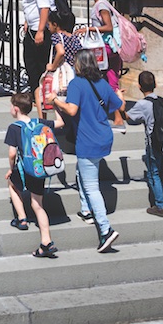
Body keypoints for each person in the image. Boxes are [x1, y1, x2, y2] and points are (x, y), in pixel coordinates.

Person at [51, 49, 124, 253]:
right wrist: (117, 94)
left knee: (92, 186)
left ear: (79, 65)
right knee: (83, 172)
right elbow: (118, 104)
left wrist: (55, 100)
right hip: (103, 138)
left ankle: (105, 229)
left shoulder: (77, 84)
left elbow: (72, 110)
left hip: (88, 140)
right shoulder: (103, 83)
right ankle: (85, 210)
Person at [123, 70, 163, 221]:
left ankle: (160, 206)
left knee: (154, 173)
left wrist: (121, 100)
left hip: (154, 145)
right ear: (155, 84)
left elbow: (127, 117)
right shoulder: (161, 101)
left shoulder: (143, 104)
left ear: (139, 86)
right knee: (162, 170)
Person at [4, 90, 58, 259]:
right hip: (39, 167)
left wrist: (10, 169)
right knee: (38, 204)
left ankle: (22, 218)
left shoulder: (14, 128)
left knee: (12, 184)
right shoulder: (39, 122)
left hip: (24, 168)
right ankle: (46, 241)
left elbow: (12, 153)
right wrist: (54, 102)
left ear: (15, 109)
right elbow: (61, 122)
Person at [20, 0, 56, 97]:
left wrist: (40, 31)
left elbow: (44, 8)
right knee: (30, 62)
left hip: (39, 30)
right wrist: (27, 21)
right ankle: (36, 92)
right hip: (33, 27)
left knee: (37, 64)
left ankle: (40, 94)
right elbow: (32, 6)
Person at [84, 0, 123, 94]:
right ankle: (116, 106)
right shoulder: (103, 3)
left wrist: (88, 29)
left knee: (89, 70)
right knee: (112, 77)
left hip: (106, 46)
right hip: (112, 46)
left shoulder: (101, 5)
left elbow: (108, 26)